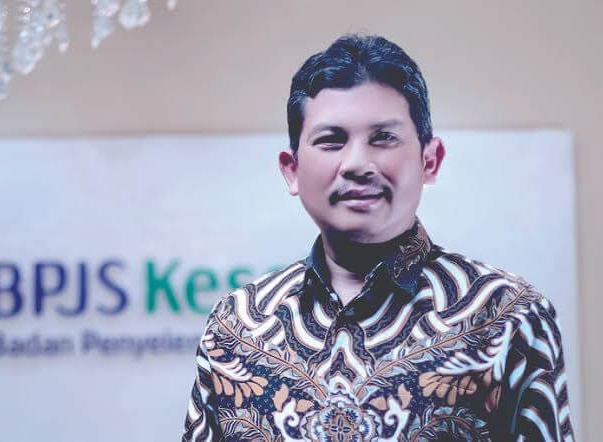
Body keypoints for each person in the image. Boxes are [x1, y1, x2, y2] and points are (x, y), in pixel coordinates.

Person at [183, 34, 574, 441]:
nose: (357, 164)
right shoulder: (236, 325)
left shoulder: (508, 315)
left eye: (383, 138)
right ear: (291, 170)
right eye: (331, 140)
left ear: (429, 160)